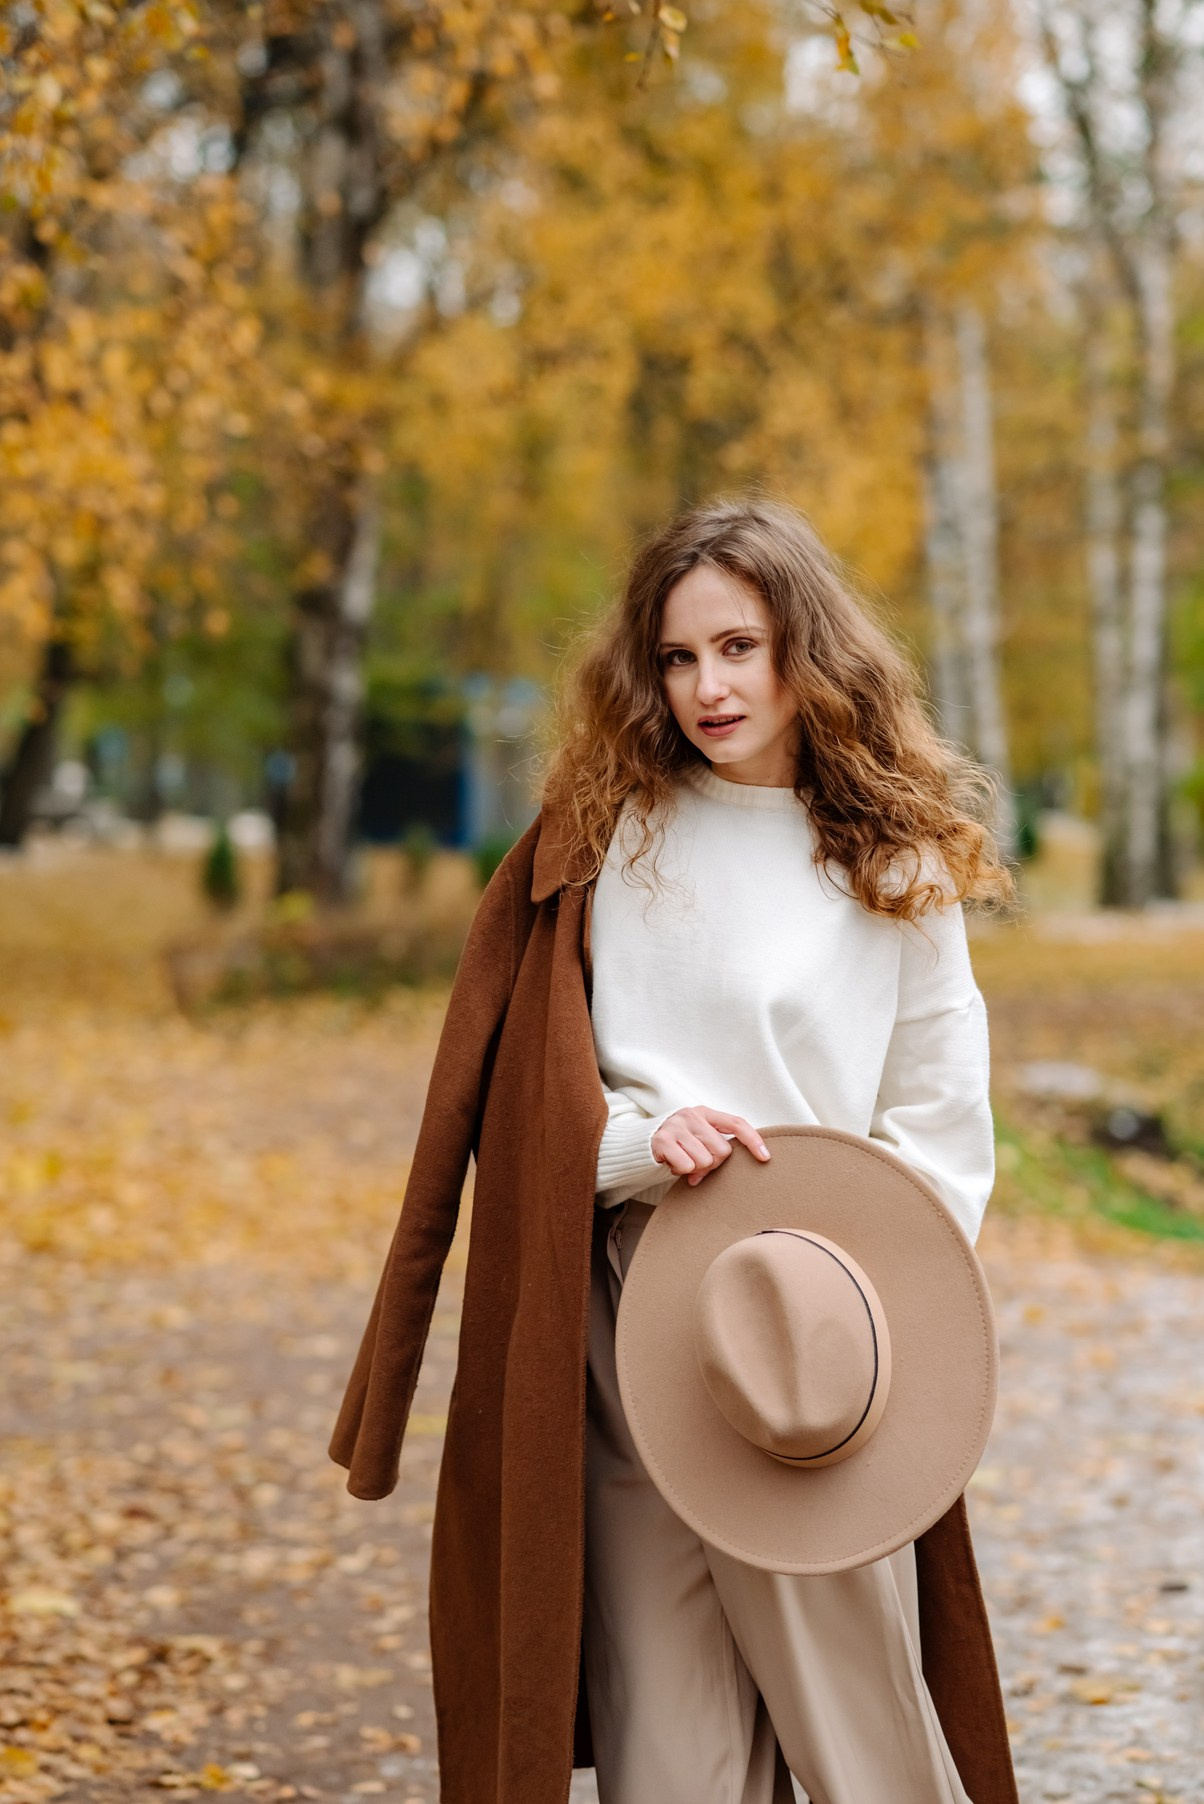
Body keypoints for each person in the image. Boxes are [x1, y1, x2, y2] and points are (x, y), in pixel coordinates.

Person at [329, 496, 1019, 1804]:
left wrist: (867, 1318)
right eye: (678, 656)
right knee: (670, 1754)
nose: (709, 686)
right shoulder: (602, 843)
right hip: (621, 1323)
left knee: (865, 1736)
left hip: (808, 1333)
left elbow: (937, 1129)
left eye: (740, 648)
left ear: (805, 649)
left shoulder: (894, 870)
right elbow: (516, 1117)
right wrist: (642, 1140)